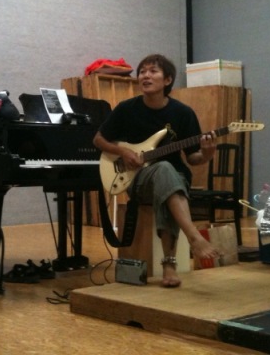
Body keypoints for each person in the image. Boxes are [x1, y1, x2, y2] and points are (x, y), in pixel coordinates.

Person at [93, 54, 220, 288]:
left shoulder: (183, 113)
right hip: (137, 179)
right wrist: (123, 152)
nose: (146, 76)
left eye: (153, 71)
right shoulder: (126, 109)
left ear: (167, 80)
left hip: (174, 178)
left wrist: (208, 153)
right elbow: (98, 139)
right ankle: (191, 239)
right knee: (165, 170)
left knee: (167, 176)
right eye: (142, 71)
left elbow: (193, 158)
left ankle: (170, 266)